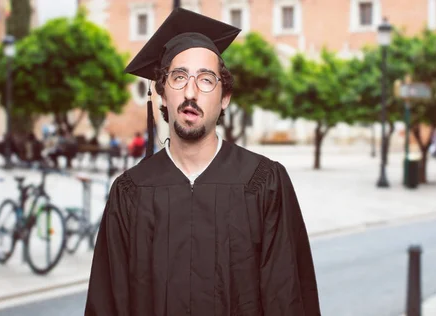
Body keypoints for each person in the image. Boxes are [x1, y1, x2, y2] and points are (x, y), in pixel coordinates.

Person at [85, 8, 321, 316]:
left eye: (206, 80)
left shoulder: (264, 182)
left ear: (224, 98)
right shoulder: (131, 192)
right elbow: (107, 305)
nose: (191, 91)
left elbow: (287, 297)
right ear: (162, 94)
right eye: (179, 77)